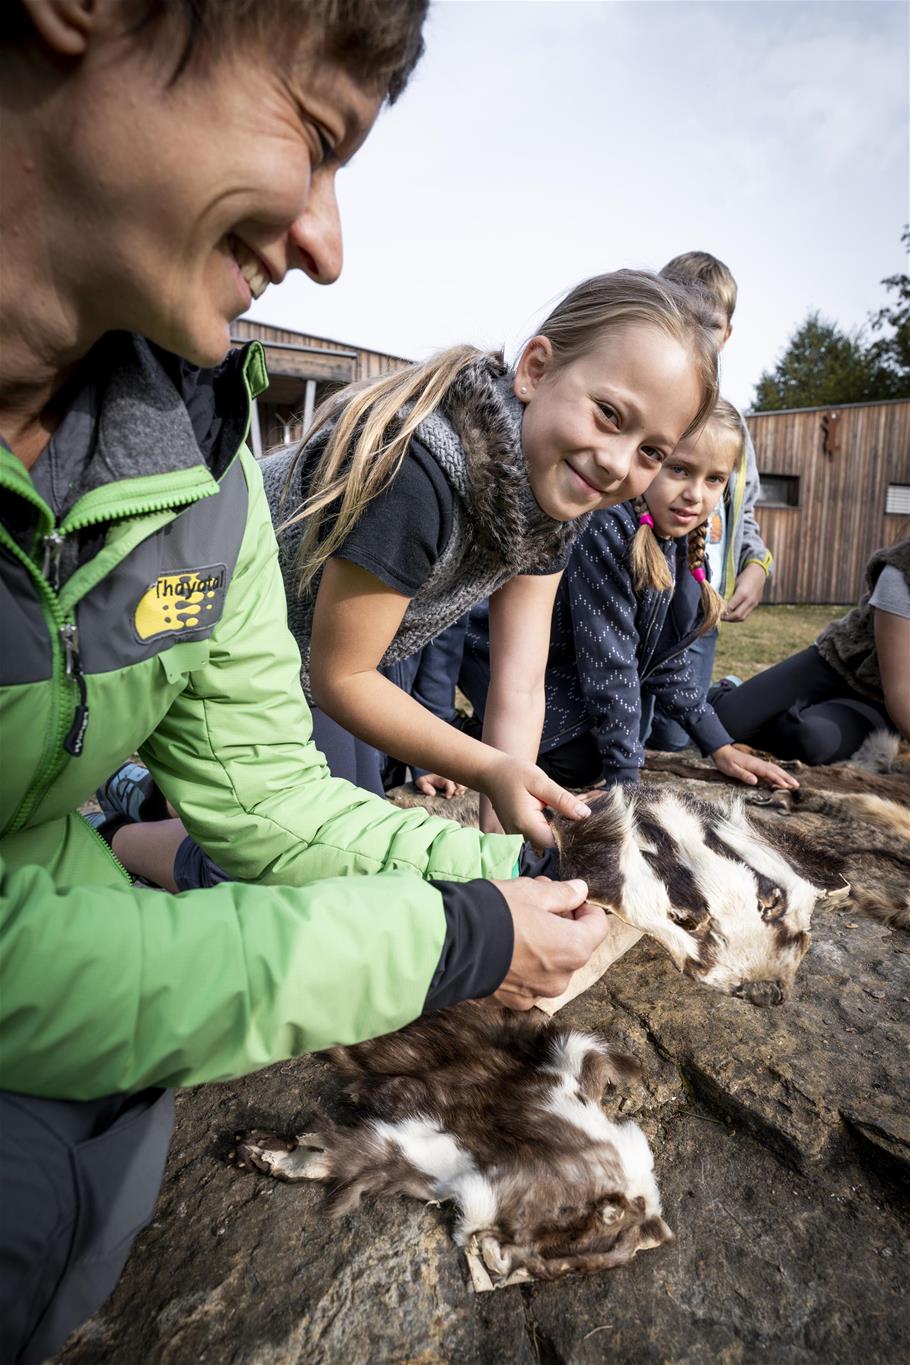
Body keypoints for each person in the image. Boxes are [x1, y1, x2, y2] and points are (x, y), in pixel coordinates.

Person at [0, 4, 609, 1360]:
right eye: (314, 137)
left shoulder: (187, 451)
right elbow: (343, 680)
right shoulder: (430, 471)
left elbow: (266, 789)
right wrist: (447, 937)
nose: (328, 243)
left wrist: (478, 884)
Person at [102, 267, 720, 885]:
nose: (617, 463)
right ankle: (121, 839)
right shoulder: (422, 470)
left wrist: (502, 865)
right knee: (318, 865)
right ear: (535, 370)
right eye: (610, 414)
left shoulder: (558, 503)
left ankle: (151, 797)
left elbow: (520, 686)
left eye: (652, 452)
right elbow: (340, 674)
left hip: (308, 664)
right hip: (207, 632)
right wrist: (486, 769)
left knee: (349, 817)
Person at [461, 401, 795, 792]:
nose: (694, 495)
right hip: (504, 662)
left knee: (626, 742)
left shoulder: (678, 537)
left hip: (569, 670)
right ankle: (458, 734)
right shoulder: (606, 527)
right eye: (679, 470)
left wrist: (718, 743)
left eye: (714, 479)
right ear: (649, 460)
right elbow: (610, 662)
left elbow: (663, 659)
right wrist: (628, 783)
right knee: (579, 762)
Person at [645, 251, 775, 751]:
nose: (699, 333)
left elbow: (745, 513)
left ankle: (721, 696)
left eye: (712, 323)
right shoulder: (651, 405)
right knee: (624, 726)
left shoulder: (731, 424)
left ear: (727, 334)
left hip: (699, 607)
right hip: (641, 594)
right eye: (685, 316)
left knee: (674, 738)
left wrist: (756, 564)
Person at [713, 538, 910, 763]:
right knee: (723, 723)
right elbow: (902, 693)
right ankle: (732, 691)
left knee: (809, 739)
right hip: (836, 662)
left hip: (876, 699)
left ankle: (794, 717)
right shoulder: (901, 571)